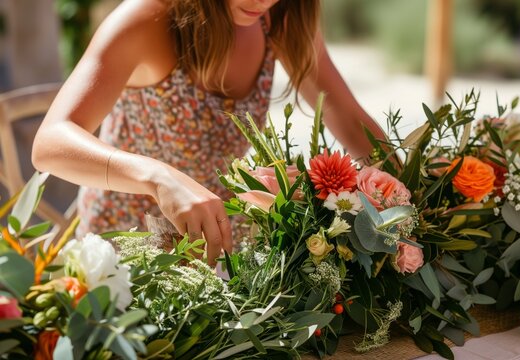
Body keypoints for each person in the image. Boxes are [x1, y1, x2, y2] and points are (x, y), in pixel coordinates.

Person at [32, 0, 387, 265]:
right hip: (125, 257)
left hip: (220, 250)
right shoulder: (148, 17)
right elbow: (50, 143)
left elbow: (346, 114)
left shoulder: (279, 16)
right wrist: (158, 177)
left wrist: (407, 198)